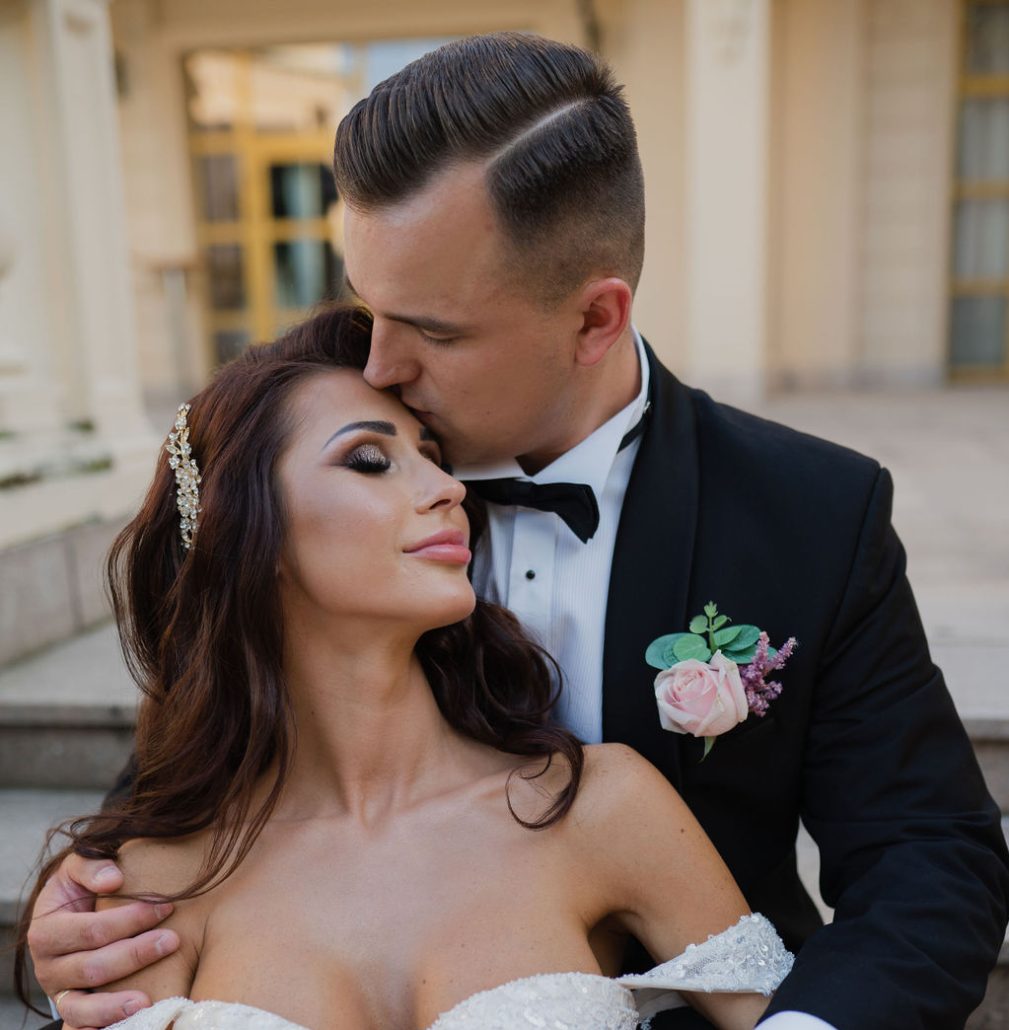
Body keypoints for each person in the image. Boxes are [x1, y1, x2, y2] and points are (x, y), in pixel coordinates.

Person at [25, 32, 1009, 1030]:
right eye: (370, 308)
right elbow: (224, 705)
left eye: (433, 331)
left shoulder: (808, 512)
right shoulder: (343, 488)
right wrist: (81, 891)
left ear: (593, 321)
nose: (377, 365)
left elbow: (930, 852)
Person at [16, 306, 793, 1030]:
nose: (448, 489)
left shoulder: (601, 808)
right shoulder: (152, 890)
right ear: (248, 534)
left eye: (430, 455)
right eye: (368, 460)